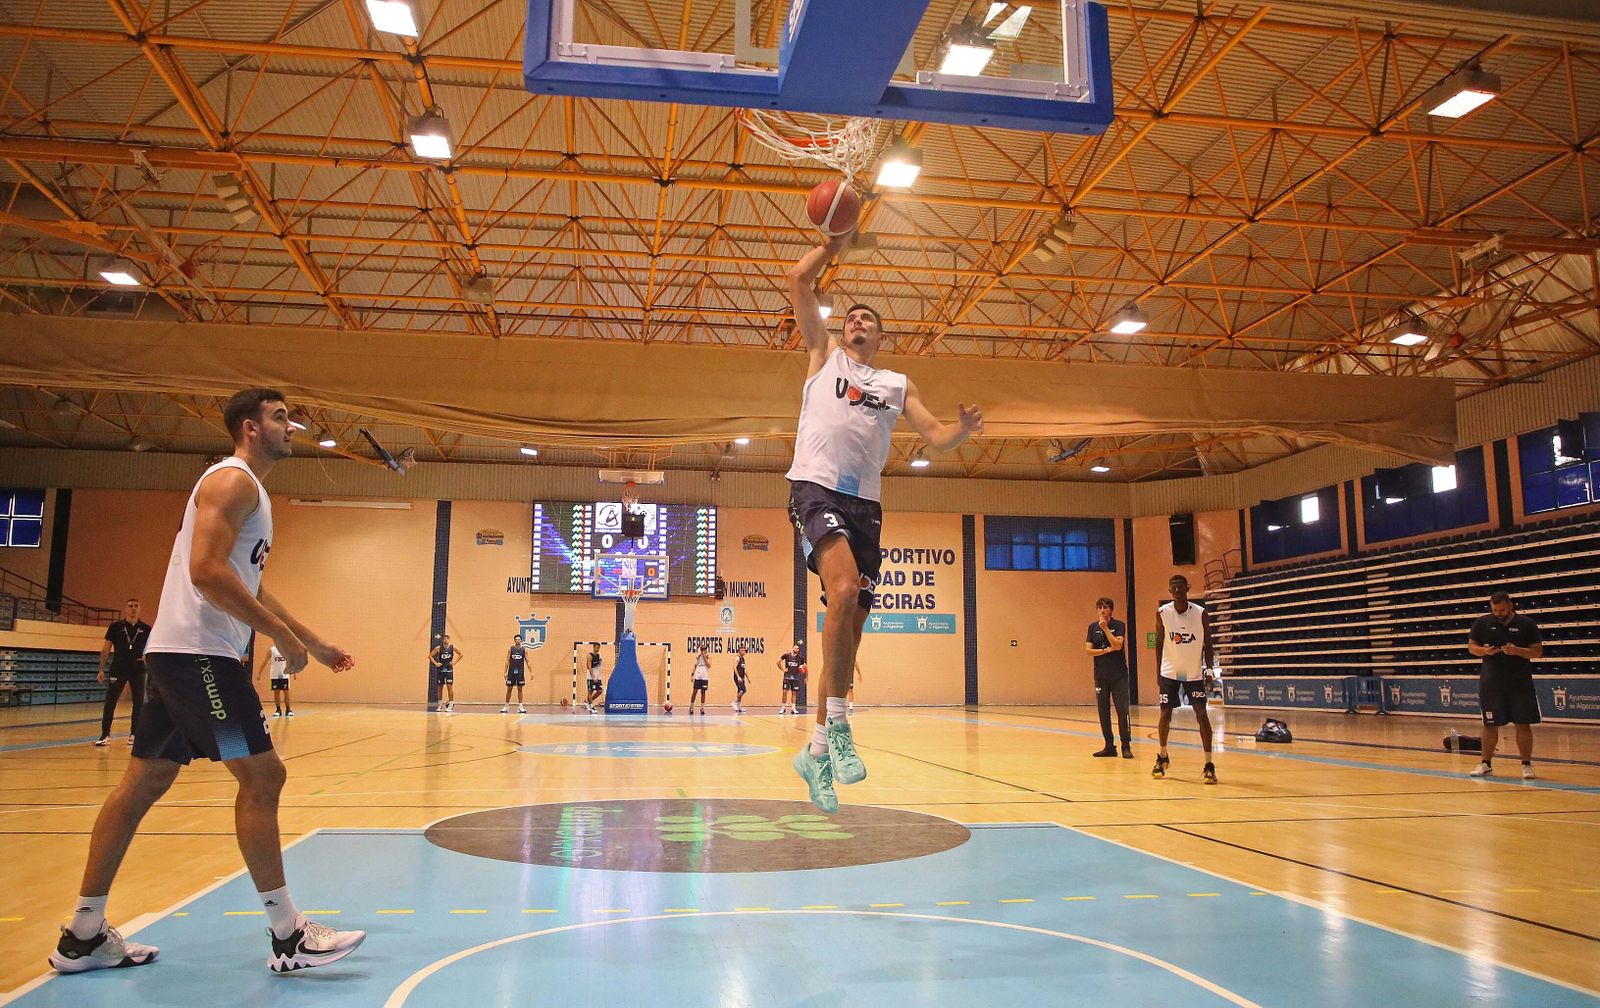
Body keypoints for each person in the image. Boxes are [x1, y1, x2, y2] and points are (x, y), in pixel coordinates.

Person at [50, 387, 364, 976]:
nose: (290, 426)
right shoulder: (232, 481)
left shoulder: (249, 490)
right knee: (264, 775)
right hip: (199, 656)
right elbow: (206, 573)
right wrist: (284, 640)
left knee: (143, 785)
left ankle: (83, 933)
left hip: (177, 655)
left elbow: (245, 582)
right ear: (249, 427)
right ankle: (288, 934)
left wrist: (310, 641)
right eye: (279, 417)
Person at [785, 234, 984, 814]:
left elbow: (938, 438)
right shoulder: (823, 357)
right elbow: (799, 282)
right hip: (815, 487)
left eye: (867, 318)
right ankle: (842, 728)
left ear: (881, 335)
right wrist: (833, 242)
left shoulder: (897, 385)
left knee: (849, 631)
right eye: (851, 317)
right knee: (843, 590)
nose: (857, 322)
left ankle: (816, 749)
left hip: (866, 507)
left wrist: (964, 430)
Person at [1466, 590, 1543, 779]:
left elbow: (1537, 652)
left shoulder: (1527, 624)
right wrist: (1484, 651)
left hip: (1519, 681)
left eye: (1501, 609)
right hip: (1492, 681)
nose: (1498, 613)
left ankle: (1526, 765)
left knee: (1522, 723)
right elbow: (1471, 647)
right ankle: (1486, 763)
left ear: (1510, 605)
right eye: (1495, 610)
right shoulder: (1482, 623)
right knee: (1489, 723)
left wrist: (1517, 650)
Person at [1152, 574, 1217, 784]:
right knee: (1164, 715)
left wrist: (1209, 671)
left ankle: (1209, 764)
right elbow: (1159, 643)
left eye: (1180, 587)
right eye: (1173, 588)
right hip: (1169, 672)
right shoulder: (1163, 613)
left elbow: (1208, 643)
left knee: (1202, 715)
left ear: (1187, 588)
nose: (1177, 591)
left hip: (1194, 673)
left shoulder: (1200, 613)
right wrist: (1157, 671)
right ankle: (1162, 757)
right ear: (1170, 592)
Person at [95, 598, 149, 746]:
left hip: (138, 669)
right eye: (130, 606)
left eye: (136, 606)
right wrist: (101, 669)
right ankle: (105, 735)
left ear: (140, 609)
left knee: (139, 702)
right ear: (126, 608)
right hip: (118, 668)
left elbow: (152, 647)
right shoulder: (115, 627)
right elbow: (106, 648)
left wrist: (147, 656)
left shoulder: (146, 628)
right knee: (110, 702)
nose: (133, 608)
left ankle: (134, 734)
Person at [1087, 597, 1132, 759]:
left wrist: (1106, 629)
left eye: (1105, 607)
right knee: (1103, 711)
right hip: (1100, 676)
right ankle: (1108, 745)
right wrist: (1105, 650)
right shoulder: (1092, 627)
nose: (1102, 610)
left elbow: (1118, 645)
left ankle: (1126, 745)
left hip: (1118, 675)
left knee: (1122, 710)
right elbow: (1088, 650)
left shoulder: (1119, 625)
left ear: (1111, 609)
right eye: (1099, 607)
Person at [429, 635, 461, 712]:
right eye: (444, 638)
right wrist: (436, 663)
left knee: (449, 686)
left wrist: (454, 662)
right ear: (442, 640)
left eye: (447, 638)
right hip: (440, 670)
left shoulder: (452, 647)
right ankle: (440, 704)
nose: (446, 640)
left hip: (449, 670)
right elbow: (430, 656)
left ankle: (450, 704)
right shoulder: (438, 648)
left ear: (449, 640)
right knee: (440, 687)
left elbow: (461, 654)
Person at [262, 644, 292, 718]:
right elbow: (265, 661)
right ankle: (278, 710)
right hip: (274, 675)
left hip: (285, 674)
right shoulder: (272, 650)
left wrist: (294, 672)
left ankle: (288, 709)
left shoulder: (286, 649)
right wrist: (259, 673)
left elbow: (291, 661)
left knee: (286, 691)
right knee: (276, 692)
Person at [501, 635, 528, 714]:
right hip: (511, 671)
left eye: (519, 639)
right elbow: (507, 661)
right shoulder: (511, 649)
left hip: (520, 672)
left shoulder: (524, 650)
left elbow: (528, 661)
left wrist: (531, 672)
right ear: (514, 641)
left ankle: (520, 707)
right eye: (516, 639)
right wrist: (505, 672)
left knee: (520, 689)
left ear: (521, 641)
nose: (517, 641)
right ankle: (506, 706)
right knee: (509, 688)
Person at [778, 644, 804, 715]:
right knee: (784, 692)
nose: (796, 649)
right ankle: (783, 708)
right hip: (787, 677)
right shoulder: (787, 655)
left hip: (796, 678)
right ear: (792, 648)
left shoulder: (800, 658)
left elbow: (803, 666)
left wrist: (802, 671)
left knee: (794, 693)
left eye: (798, 648)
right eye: (795, 648)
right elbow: (778, 662)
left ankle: (793, 708)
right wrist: (783, 669)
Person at [690, 645, 711, 715]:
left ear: (706, 650)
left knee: (703, 692)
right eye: (702, 649)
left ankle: (702, 708)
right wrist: (692, 675)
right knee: (695, 691)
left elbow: (709, 665)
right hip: (698, 676)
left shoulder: (708, 656)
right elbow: (694, 666)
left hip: (704, 676)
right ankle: (691, 707)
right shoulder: (698, 657)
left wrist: (704, 657)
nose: (703, 651)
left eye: (704, 649)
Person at [585, 642, 604, 713]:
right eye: (596, 647)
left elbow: (598, 666)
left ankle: (588, 702)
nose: (597, 649)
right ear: (593, 647)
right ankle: (591, 706)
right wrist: (592, 676)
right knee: (590, 691)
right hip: (591, 676)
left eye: (599, 647)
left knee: (600, 691)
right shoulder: (590, 655)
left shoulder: (599, 656)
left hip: (597, 676)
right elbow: (589, 667)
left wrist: (600, 662)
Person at [732, 645, 748, 713]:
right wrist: (738, 676)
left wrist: (748, 677)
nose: (744, 652)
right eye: (742, 650)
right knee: (743, 690)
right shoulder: (737, 658)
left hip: (742, 677)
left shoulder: (743, 658)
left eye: (744, 650)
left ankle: (738, 707)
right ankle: (734, 702)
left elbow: (744, 669)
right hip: (738, 677)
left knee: (739, 691)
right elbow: (734, 667)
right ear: (739, 651)